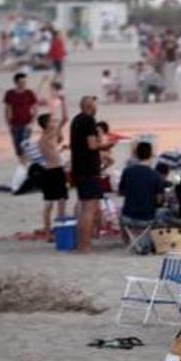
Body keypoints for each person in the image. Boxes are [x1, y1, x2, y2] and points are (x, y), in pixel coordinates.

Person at [69, 96, 106, 253]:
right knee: (89, 207)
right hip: (88, 170)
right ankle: (84, 246)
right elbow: (92, 145)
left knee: (85, 206)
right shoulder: (88, 120)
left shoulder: (76, 120)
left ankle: (81, 243)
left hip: (79, 168)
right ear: (90, 107)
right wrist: (104, 144)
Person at [118, 142, 165, 251]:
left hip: (128, 217)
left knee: (121, 211)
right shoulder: (155, 175)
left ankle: (127, 241)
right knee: (163, 214)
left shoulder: (127, 172)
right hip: (147, 218)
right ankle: (152, 242)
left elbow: (121, 192)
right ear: (151, 154)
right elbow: (159, 200)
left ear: (136, 154)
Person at [35, 113, 68, 237]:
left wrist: (60, 150)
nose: (54, 123)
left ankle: (52, 232)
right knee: (58, 202)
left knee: (54, 202)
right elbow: (64, 119)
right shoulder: (47, 137)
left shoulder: (46, 138)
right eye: (52, 121)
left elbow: (53, 151)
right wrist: (63, 100)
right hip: (54, 171)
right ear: (46, 125)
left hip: (51, 170)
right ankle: (55, 231)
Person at [4, 72, 38, 162]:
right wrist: (9, 124)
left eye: (25, 82)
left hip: (27, 124)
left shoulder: (29, 93)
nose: (24, 84)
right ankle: (22, 165)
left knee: (25, 146)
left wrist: (31, 123)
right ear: (16, 82)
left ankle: (25, 166)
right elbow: (7, 110)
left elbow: (35, 109)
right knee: (17, 147)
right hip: (15, 124)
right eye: (21, 82)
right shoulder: (10, 93)